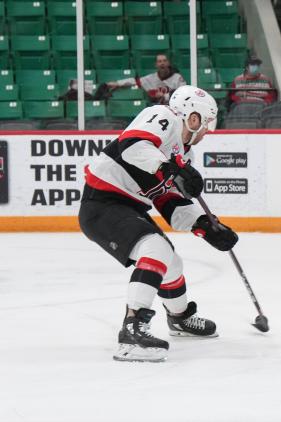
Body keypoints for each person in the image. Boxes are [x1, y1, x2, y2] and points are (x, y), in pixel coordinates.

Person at [78, 85, 238, 362]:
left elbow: (168, 203)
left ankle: (179, 318)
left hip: (130, 207)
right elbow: (132, 146)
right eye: (207, 122)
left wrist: (204, 226)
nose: (207, 131)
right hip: (102, 204)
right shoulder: (163, 116)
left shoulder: (183, 156)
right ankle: (132, 330)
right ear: (193, 117)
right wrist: (168, 168)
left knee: (172, 263)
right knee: (156, 250)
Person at [107, 54, 187, 105]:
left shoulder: (177, 78)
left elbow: (184, 94)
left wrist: (165, 96)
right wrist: (118, 83)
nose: (162, 63)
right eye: (159, 61)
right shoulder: (150, 78)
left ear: (168, 63)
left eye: (164, 61)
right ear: (156, 64)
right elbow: (134, 81)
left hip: (174, 108)